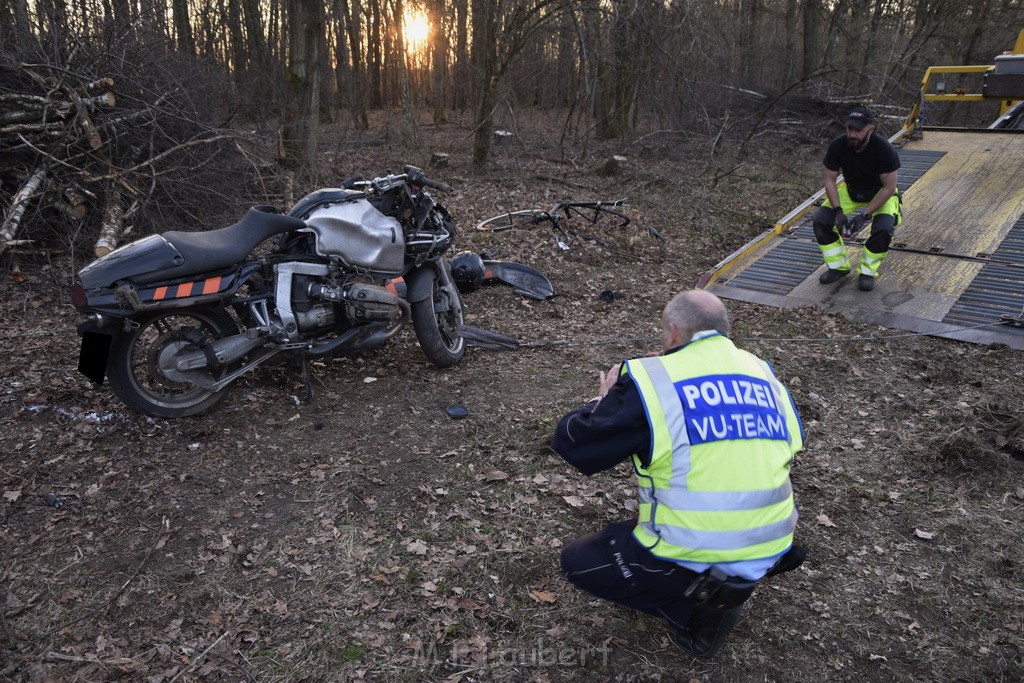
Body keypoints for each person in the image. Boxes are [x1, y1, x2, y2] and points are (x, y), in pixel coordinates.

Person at [552, 290, 805, 659]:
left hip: (700, 547)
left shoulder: (652, 381)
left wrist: (601, 402)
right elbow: (787, 446)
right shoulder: (763, 372)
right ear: (722, 330)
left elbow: (574, 443)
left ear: (672, 332)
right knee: (628, 529)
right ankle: (735, 577)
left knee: (578, 562)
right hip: (774, 541)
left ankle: (703, 603)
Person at [813, 105, 902, 291]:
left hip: (880, 192)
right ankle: (838, 267)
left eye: (858, 130)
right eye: (850, 129)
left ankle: (867, 272)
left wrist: (865, 216)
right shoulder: (838, 146)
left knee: (884, 229)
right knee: (821, 220)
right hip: (851, 189)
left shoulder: (884, 150)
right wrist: (837, 211)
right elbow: (829, 180)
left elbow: (889, 187)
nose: (852, 134)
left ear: (871, 129)